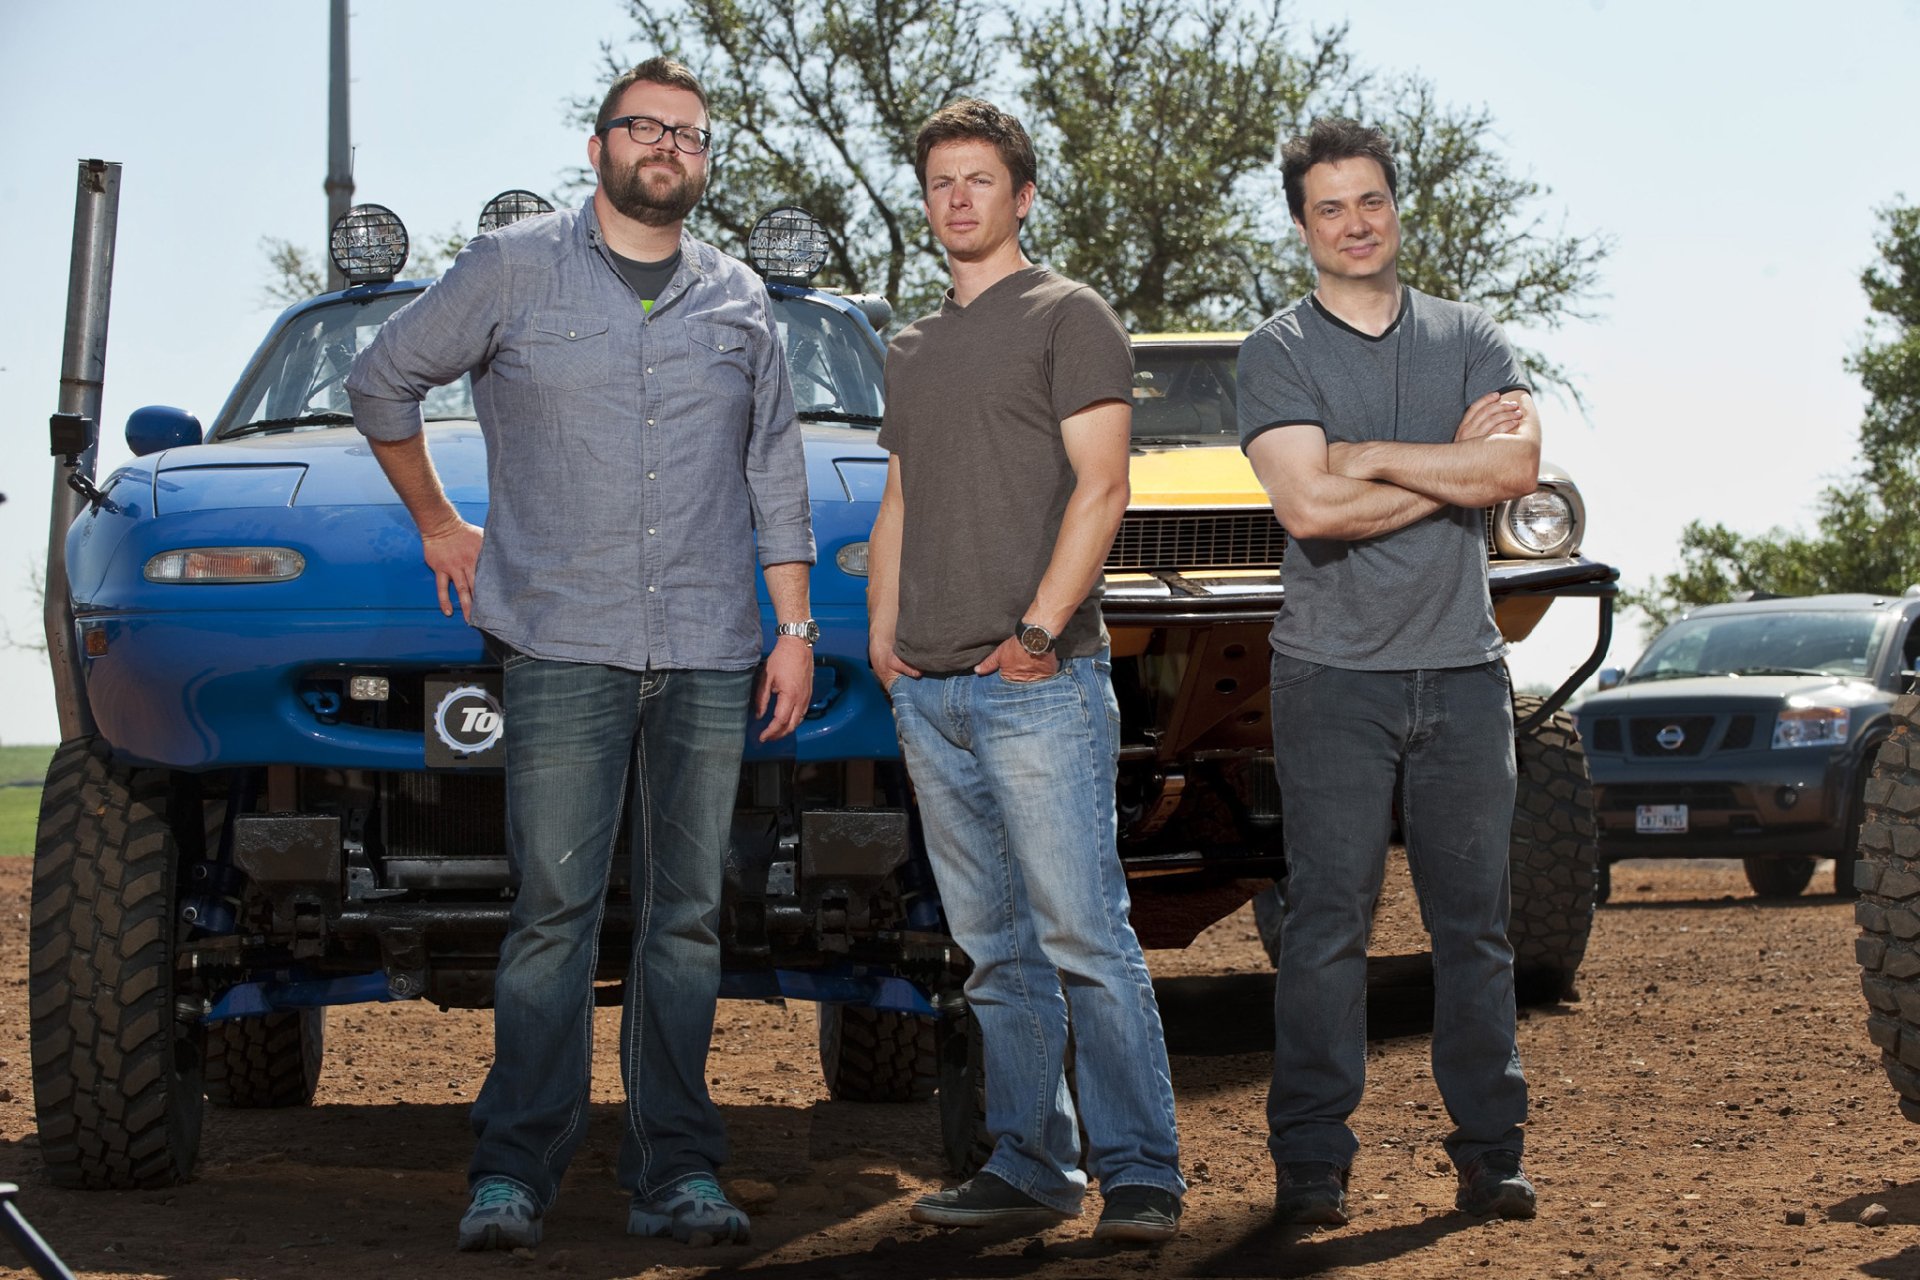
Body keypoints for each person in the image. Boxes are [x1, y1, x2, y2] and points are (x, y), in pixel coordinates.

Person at [345, 57, 815, 1251]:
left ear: (705, 162)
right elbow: (381, 375)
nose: (669, 147)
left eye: (691, 135)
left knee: (688, 918)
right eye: (646, 127)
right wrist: (439, 520)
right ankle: (514, 1172)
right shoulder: (512, 267)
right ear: (600, 145)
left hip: (713, 644)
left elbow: (775, 469)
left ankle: (677, 1172)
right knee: (551, 913)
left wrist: (795, 627)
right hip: (560, 641)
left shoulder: (739, 297)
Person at [867, 98, 1186, 1244]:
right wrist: (883, 636)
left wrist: (1043, 631)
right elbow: (903, 493)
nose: (959, 198)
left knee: (1084, 936)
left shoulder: (1070, 314)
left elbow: (1104, 484)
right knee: (993, 950)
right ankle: (1030, 1163)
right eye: (942, 182)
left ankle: (1142, 1168)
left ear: (1024, 195)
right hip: (934, 690)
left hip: (1037, 682)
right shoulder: (908, 345)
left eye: (980, 180)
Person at [1236, 116, 1543, 1225]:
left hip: (1464, 672)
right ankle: (1313, 1160)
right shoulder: (1276, 352)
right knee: (1327, 927)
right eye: (1331, 207)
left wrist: (1369, 454)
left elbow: (1515, 462)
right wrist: (1447, 474)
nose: (1355, 223)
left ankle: (1490, 1149)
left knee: (1477, 925)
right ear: (1303, 225)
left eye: (1371, 201)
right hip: (1332, 676)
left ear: (1396, 207)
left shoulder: (1472, 336)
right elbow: (1308, 503)